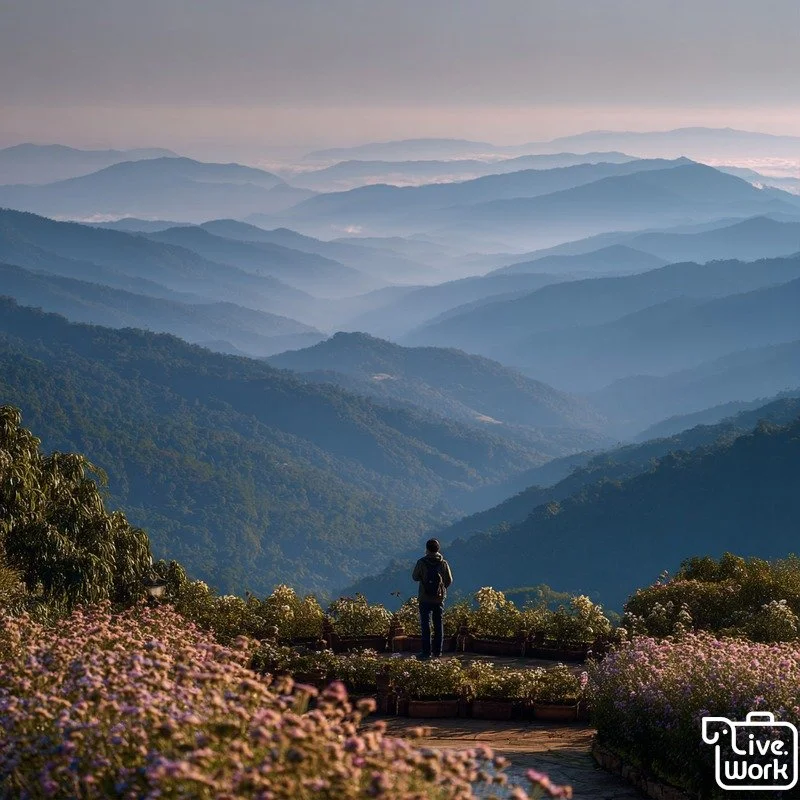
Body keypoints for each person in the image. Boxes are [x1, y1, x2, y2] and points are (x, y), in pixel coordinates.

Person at [412, 538, 453, 659]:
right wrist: (441, 589)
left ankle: (426, 652)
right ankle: (437, 652)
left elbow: (415, 577)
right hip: (438, 599)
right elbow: (449, 580)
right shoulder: (443, 563)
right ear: (438, 549)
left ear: (427, 549)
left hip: (424, 598)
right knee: (438, 624)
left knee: (425, 625)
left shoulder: (421, 562)